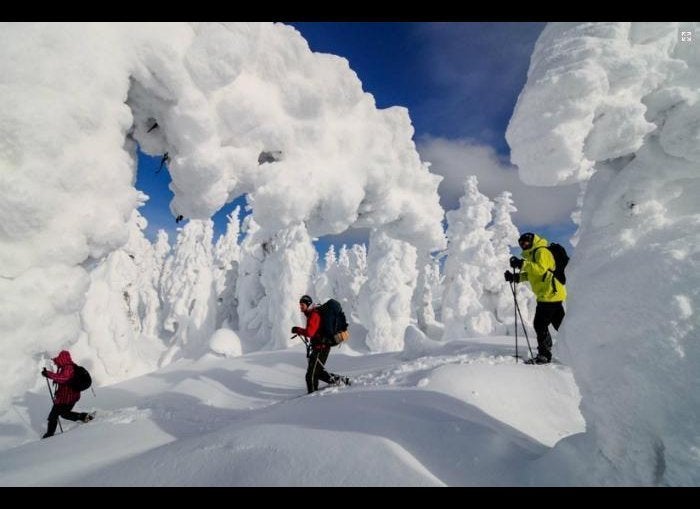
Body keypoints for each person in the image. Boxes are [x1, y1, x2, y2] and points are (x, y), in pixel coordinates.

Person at [504, 232, 567, 364]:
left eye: (526, 242)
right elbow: (531, 275)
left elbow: (540, 269)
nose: (524, 245)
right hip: (550, 295)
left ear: (532, 241)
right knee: (561, 326)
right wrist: (515, 277)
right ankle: (577, 348)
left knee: (540, 324)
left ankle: (544, 355)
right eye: (521, 244)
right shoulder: (533, 255)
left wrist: (522, 264)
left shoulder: (541, 252)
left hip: (549, 295)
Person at [291, 295, 350, 393]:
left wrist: (297, 329)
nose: (300, 307)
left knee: (311, 375)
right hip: (320, 346)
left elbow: (310, 332)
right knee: (318, 372)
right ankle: (341, 380)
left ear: (308, 304)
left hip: (321, 347)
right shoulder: (312, 313)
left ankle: (312, 397)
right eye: (300, 305)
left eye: (302, 304)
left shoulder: (314, 314)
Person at [41, 350, 93, 438]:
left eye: (57, 361)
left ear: (62, 359)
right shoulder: (68, 367)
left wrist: (49, 374)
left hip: (68, 397)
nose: (56, 363)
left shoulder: (68, 367)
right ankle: (84, 417)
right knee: (61, 414)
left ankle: (49, 435)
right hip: (65, 397)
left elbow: (63, 378)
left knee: (56, 415)